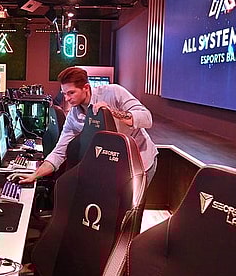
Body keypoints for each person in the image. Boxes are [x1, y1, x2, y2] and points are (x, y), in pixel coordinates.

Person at [11, 66, 158, 186]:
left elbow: (147, 118)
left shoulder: (113, 92)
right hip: (113, 165)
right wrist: (34, 175)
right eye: (64, 94)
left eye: (71, 93)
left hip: (140, 162)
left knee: (129, 211)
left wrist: (111, 113)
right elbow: (59, 152)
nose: (67, 98)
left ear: (86, 87)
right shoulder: (73, 116)